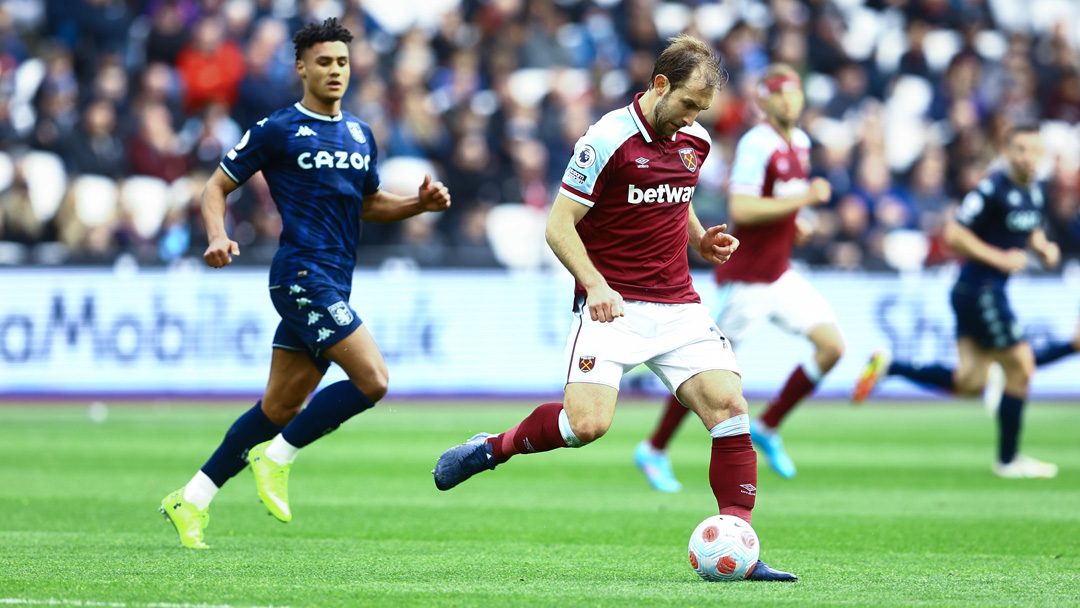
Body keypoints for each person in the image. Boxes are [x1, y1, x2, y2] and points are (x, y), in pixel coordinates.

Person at [431, 35, 796, 582]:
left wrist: (698, 240)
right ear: (659, 85)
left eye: (703, 110)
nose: (695, 118)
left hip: (678, 304)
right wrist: (596, 285)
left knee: (729, 407)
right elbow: (558, 227)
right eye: (689, 104)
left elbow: (678, 195)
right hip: (613, 306)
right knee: (587, 426)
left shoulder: (694, 141)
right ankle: (494, 447)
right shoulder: (606, 139)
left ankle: (739, 541)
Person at [159, 18, 451, 549]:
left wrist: (417, 204)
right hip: (299, 275)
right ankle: (276, 457)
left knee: (277, 408)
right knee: (373, 380)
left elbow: (367, 205)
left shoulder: (361, 134)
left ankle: (191, 498)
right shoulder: (277, 129)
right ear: (301, 67)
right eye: (324, 62)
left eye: (342, 61)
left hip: (336, 282)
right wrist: (217, 236)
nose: (335, 70)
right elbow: (214, 187)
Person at [634, 64, 842, 491]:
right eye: (779, 93)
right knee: (702, 372)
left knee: (832, 347)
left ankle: (768, 426)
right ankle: (653, 448)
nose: (789, 100)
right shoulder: (756, 144)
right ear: (762, 101)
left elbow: (776, 201)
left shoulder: (798, 142)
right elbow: (743, 210)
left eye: (795, 92)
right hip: (746, 281)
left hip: (779, 275)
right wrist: (805, 199)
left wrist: (794, 221)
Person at [852, 124, 1059, 479]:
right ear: (1007, 151)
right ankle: (1009, 461)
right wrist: (1000, 258)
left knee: (970, 382)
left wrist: (1042, 247)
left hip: (976, 293)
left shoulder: (1034, 192)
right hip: (981, 290)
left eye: (1034, 150)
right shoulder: (992, 188)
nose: (1028, 157)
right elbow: (953, 233)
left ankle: (890, 366)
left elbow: (1030, 230)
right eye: (1021, 149)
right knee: (1021, 367)